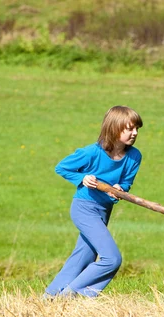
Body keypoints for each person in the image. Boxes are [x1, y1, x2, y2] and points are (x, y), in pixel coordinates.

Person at [44, 106, 143, 298]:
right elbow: (62, 167)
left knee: (84, 256)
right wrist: (82, 179)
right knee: (111, 259)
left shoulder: (134, 156)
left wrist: (120, 189)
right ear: (114, 128)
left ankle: (50, 296)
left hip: (104, 210)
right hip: (84, 208)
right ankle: (72, 296)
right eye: (130, 129)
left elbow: (126, 183)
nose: (135, 133)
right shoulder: (92, 152)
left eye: (137, 128)